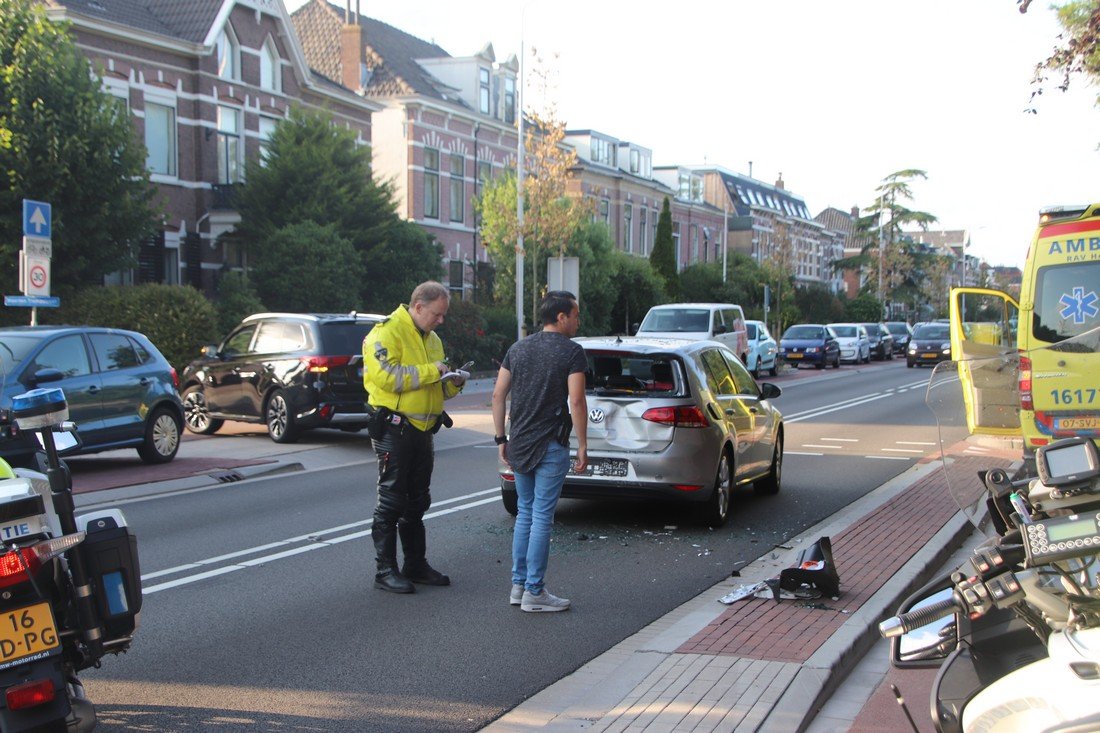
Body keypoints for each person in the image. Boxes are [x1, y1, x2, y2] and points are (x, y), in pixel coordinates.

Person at [363, 281, 466, 593]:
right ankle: (385, 571)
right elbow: (387, 377)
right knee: (392, 500)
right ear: (418, 306)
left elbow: (434, 385)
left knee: (418, 501)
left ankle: (415, 564)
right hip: (394, 428)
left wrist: (454, 382)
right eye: (437, 314)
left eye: (443, 315)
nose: (441, 321)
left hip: (423, 430)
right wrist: (433, 371)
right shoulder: (386, 332)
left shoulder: (431, 338)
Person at [491, 291, 588, 612]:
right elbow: (576, 401)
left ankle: (518, 587)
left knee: (525, 515)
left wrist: (500, 439)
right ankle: (535, 591)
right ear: (561, 317)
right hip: (550, 444)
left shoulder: (517, 349)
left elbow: (497, 395)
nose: (578, 321)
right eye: (575, 315)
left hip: (518, 443)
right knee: (542, 518)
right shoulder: (572, 353)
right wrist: (583, 445)